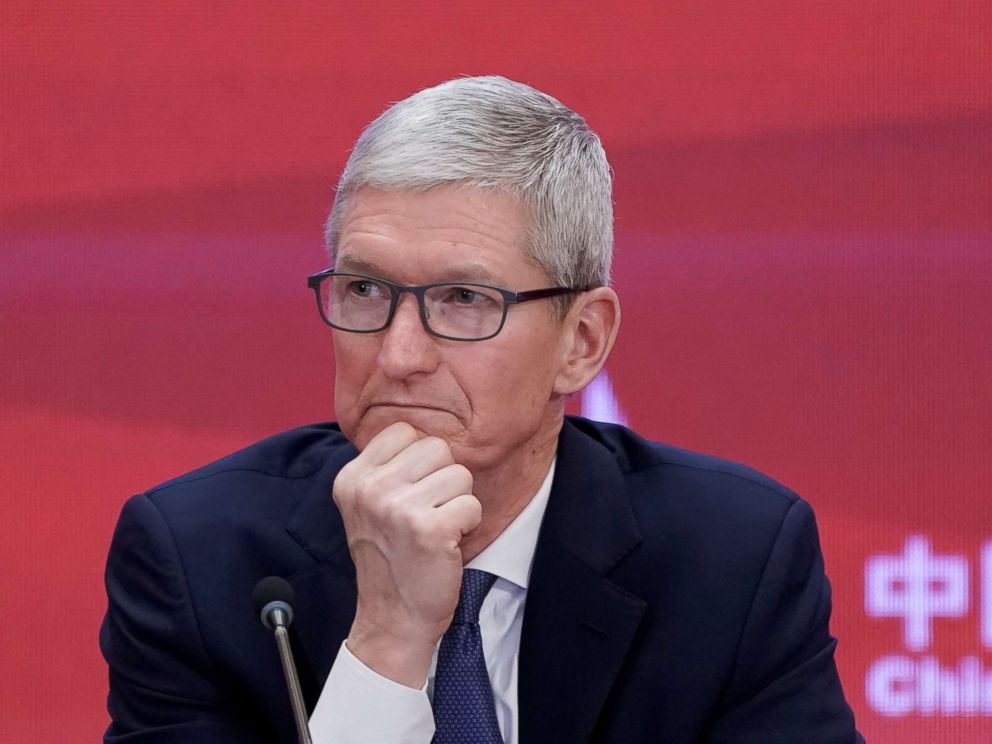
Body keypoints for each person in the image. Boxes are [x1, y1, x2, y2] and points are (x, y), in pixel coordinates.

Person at [101, 75, 863, 743]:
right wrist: (389, 639)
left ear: (582, 342)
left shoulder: (732, 560)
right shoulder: (197, 562)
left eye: (464, 299)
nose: (398, 355)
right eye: (366, 289)